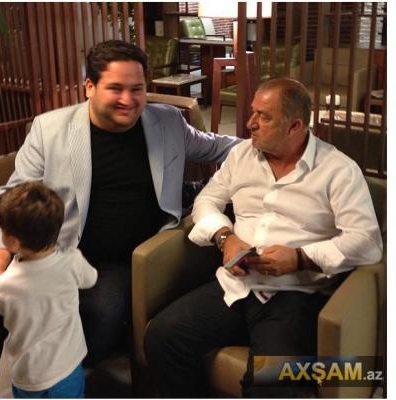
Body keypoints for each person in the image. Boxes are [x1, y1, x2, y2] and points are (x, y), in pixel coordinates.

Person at [0, 39, 240, 366]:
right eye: (115, 88)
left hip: (124, 260)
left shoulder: (167, 122)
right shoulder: (50, 129)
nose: (128, 100)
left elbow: (221, 146)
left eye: (137, 89)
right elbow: (13, 192)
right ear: (89, 87)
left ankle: (65, 376)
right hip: (57, 249)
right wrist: (0, 244)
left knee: (98, 316)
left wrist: (281, 148)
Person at [144, 78, 383, 397]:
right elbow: (207, 200)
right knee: (162, 337)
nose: (250, 123)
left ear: (295, 126)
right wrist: (225, 237)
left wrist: (300, 258)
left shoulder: (338, 170)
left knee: (272, 383)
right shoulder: (241, 155)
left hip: (294, 294)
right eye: (253, 112)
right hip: (235, 284)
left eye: (263, 116)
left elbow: (366, 242)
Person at [0, 181, 98, 398]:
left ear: (12, 242)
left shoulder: (2, 286)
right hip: (69, 366)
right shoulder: (73, 261)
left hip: (29, 377)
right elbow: (91, 279)